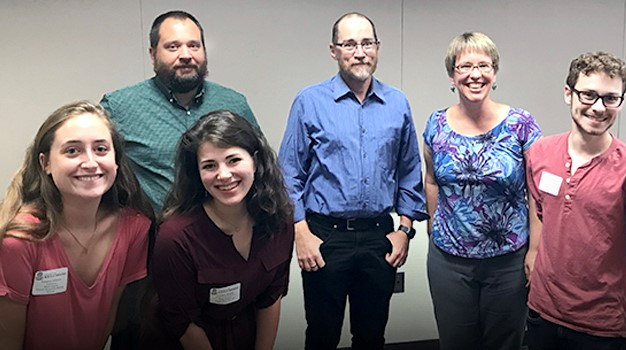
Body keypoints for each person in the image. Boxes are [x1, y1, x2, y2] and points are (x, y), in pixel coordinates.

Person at [278, 12, 427, 349]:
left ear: (377, 47)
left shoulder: (397, 103)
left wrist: (404, 231)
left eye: (367, 43)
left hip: (379, 237)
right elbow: (288, 174)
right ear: (334, 51)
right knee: (321, 334)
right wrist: (300, 234)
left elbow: (409, 170)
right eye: (349, 44)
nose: (360, 52)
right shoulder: (310, 101)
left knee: (372, 335)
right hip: (325, 237)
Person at [524, 51, 626, 349]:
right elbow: (541, 210)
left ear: (621, 101)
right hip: (542, 312)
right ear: (569, 94)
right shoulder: (539, 153)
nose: (598, 107)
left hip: (601, 326)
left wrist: (611, 279)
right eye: (588, 95)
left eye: (610, 98)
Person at [0, 101, 153, 349]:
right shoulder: (20, 239)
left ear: (116, 160)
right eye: (72, 151)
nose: (90, 162)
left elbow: (106, 324)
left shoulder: (134, 229)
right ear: (45, 163)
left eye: (101, 149)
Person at [422, 32, 542, 350]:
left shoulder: (521, 124)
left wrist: (534, 249)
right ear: (452, 75)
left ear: (494, 73)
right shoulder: (435, 125)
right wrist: (433, 225)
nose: (475, 74)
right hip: (449, 261)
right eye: (465, 66)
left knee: (505, 343)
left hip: (508, 262)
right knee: (456, 342)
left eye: (484, 65)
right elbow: (432, 180)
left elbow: (537, 192)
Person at [150, 110, 294, 350]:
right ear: (197, 174)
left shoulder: (280, 219)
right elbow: (184, 323)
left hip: (246, 336)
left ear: (255, 162)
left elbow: (271, 297)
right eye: (209, 165)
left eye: (233, 160)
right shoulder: (174, 238)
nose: (224, 174)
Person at [101, 10, 258, 213]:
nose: (186, 55)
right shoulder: (119, 106)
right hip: (156, 238)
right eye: (173, 47)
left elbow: (261, 164)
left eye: (193, 46)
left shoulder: (234, 104)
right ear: (153, 54)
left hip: (228, 235)